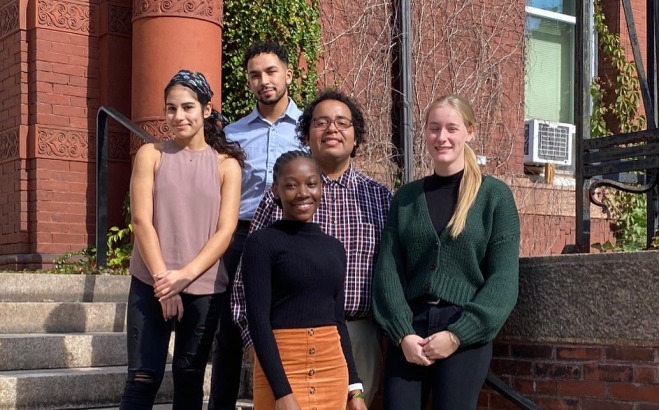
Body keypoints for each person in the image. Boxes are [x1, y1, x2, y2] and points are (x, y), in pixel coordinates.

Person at [231, 90, 392, 406]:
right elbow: (243, 285)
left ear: (356, 137)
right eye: (321, 122)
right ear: (306, 135)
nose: (332, 129)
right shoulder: (277, 197)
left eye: (342, 122)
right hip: (282, 340)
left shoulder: (380, 198)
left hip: (354, 336)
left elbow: (393, 273)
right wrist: (255, 344)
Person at [372, 94, 520, 410]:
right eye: (434, 128)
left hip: (464, 332)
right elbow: (388, 271)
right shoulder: (406, 198)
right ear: (425, 133)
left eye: (451, 128)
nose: (442, 137)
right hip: (409, 331)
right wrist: (402, 334)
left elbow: (503, 281)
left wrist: (457, 335)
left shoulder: (494, 197)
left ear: (470, 131)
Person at [119, 70, 244, 409]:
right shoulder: (151, 155)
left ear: (206, 109)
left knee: (189, 378)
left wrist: (183, 278)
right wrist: (165, 283)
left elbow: (225, 231)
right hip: (151, 282)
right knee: (142, 379)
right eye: (171, 109)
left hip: (203, 287)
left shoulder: (227, 165)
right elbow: (142, 221)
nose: (178, 117)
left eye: (188, 107)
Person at [209, 41, 303, 410]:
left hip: (290, 235)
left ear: (288, 74)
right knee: (230, 330)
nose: (264, 80)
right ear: (248, 82)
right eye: (255, 75)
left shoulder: (308, 128)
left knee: (288, 322)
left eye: (271, 71)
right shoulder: (233, 134)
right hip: (242, 235)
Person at [242, 150, 367, 410]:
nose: (302, 193)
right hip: (281, 367)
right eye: (291, 185)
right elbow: (258, 320)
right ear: (276, 190)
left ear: (321, 187)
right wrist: (282, 392)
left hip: (332, 369)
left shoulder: (334, 248)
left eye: (311, 183)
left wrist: (354, 389)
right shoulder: (261, 243)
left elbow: (338, 320)